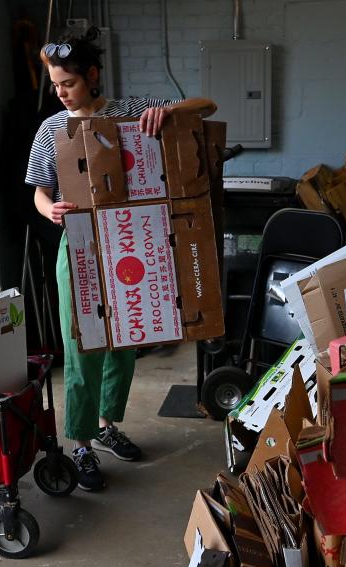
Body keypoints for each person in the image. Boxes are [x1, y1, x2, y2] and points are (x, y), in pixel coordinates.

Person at [25, 28, 216, 492]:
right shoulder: (54, 129)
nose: (61, 93)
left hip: (132, 243)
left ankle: (108, 425)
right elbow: (39, 189)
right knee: (84, 344)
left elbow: (206, 107)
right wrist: (50, 208)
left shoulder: (130, 112)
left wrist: (165, 112)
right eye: (55, 85)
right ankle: (83, 445)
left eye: (67, 83)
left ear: (91, 76)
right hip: (83, 247)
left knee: (127, 339)